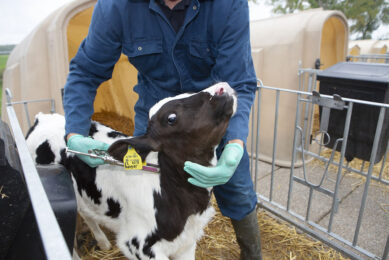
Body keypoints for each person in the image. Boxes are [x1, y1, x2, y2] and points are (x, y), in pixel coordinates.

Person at [63, 0, 262, 259]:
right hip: (157, 124)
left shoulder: (227, 5)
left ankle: (252, 254)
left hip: (208, 116)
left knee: (237, 189)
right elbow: (86, 71)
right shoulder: (116, 7)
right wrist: (75, 134)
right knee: (146, 193)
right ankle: (154, 240)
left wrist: (234, 143)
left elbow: (239, 81)